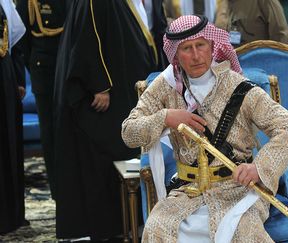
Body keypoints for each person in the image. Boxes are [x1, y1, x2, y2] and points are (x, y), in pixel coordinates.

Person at [121, 15, 288, 242]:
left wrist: (259, 167)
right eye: (187, 48)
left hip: (238, 191)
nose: (196, 55)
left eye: (201, 45)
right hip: (187, 192)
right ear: (176, 54)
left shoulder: (239, 87)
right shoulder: (165, 87)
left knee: (244, 233)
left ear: (212, 45)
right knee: (157, 227)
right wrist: (166, 117)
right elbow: (129, 132)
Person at [52, 0, 167, 240]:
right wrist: (99, 84)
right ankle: (111, 226)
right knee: (107, 157)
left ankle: (131, 222)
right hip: (107, 95)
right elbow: (87, 36)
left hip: (128, 86)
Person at [15, 0, 70, 201]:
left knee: (71, 131)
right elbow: (22, 40)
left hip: (70, 72)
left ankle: (73, 188)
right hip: (43, 71)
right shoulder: (28, 2)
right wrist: (34, 68)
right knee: (50, 135)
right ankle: (58, 191)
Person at [0, 0, 26, 234]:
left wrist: (18, 78)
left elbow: (15, 39)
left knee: (8, 142)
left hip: (4, 75)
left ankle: (11, 214)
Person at [214, 0, 288, 47]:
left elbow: (281, 36)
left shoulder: (265, 2)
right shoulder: (222, 3)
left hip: (259, 65)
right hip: (227, 65)